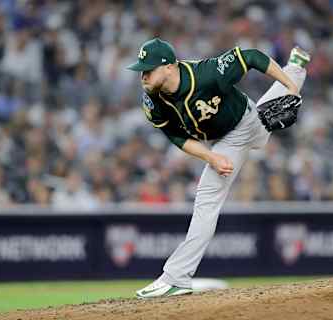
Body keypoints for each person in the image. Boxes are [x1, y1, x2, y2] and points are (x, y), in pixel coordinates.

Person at [127, 38, 309, 298]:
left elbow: (252, 56)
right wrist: (211, 158)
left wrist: (291, 88)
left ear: (169, 67)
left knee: (207, 199)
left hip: (239, 126)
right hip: (226, 137)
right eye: (141, 69)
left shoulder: (206, 74)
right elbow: (177, 138)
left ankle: (177, 277)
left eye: (148, 69)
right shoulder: (153, 101)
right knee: (263, 116)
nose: (143, 75)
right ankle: (296, 67)